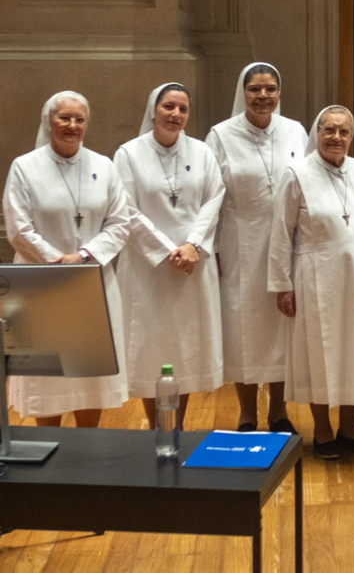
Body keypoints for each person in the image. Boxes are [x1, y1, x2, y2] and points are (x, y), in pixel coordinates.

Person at [3, 91, 130, 427]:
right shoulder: (25, 167)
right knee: (48, 378)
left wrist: (84, 257)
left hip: (92, 283)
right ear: (49, 121)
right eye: (64, 118)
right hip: (41, 286)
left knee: (90, 375)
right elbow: (18, 228)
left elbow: (120, 223)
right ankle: (51, 451)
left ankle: (87, 446)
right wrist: (58, 263)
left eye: (79, 119)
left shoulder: (103, 166)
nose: (72, 125)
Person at [268, 106, 354, 460]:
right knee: (319, 353)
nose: (336, 137)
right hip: (316, 277)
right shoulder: (297, 174)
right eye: (329, 130)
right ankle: (322, 431)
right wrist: (282, 284)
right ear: (316, 133)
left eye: (343, 131)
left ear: (352, 136)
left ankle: (349, 428)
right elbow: (281, 233)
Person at [114, 82, 225, 431]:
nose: (176, 114)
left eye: (183, 109)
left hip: (193, 265)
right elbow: (125, 209)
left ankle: (177, 429)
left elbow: (214, 199)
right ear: (153, 110)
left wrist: (192, 245)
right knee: (152, 349)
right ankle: (157, 429)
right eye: (169, 107)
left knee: (185, 349)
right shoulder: (129, 154)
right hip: (147, 268)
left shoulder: (202, 152)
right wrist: (167, 250)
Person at [206, 63, 307, 433]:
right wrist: (215, 250)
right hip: (239, 241)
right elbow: (210, 196)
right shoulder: (221, 135)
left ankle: (278, 411)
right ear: (243, 92)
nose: (263, 96)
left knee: (282, 324)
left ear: (279, 92)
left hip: (287, 239)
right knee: (242, 327)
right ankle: (247, 412)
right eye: (254, 89)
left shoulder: (295, 131)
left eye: (270, 89)